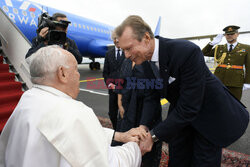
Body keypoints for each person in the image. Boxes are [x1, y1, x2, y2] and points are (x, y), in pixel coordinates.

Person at [114, 15, 249, 167]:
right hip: (180, 117)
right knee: (177, 158)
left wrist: (152, 136)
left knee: (203, 161)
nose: (126, 55)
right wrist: (143, 127)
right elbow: (151, 97)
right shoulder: (144, 62)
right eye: (123, 50)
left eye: (129, 48)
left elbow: (190, 105)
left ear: (146, 38)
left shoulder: (186, 52)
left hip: (209, 115)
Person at [0, 45, 146, 167]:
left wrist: (119, 136)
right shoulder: (76, 113)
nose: (78, 75)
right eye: (75, 69)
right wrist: (136, 148)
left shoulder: (29, 98)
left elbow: (75, 133)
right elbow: (110, 163)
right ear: (62, 73)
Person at [116, 59, 162, 167]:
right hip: (129, 111)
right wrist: (120, 103)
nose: (126, 54)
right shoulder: (126, 62)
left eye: (127, 49)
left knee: (148, 154)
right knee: (126, 149)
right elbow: (121, 82)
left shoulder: (150, 62)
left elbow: (154, 95)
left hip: (147, 112)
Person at [202, 25, 250, 100]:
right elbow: (203, 52)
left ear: (237, 34)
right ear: (225, 35)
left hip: (236, 82)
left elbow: (249, 66)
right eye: (227, 34)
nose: (229, 36)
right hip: (219, 80)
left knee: (235, 104)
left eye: (232, 34)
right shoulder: (219, 48)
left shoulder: (246, 48)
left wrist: (248, 82)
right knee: (219, 102)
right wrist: (212, 43)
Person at [103, 32, 125, 130]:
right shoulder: (108, 53)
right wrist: (109, 84)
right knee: (112, 113)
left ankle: (123, 130)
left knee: (124, 112)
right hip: (112, 89)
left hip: (124, 89)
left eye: (118, 38)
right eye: (114, 38)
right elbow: (105, 72)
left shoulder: (127, 52)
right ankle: (116, 130)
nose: (116, 40)